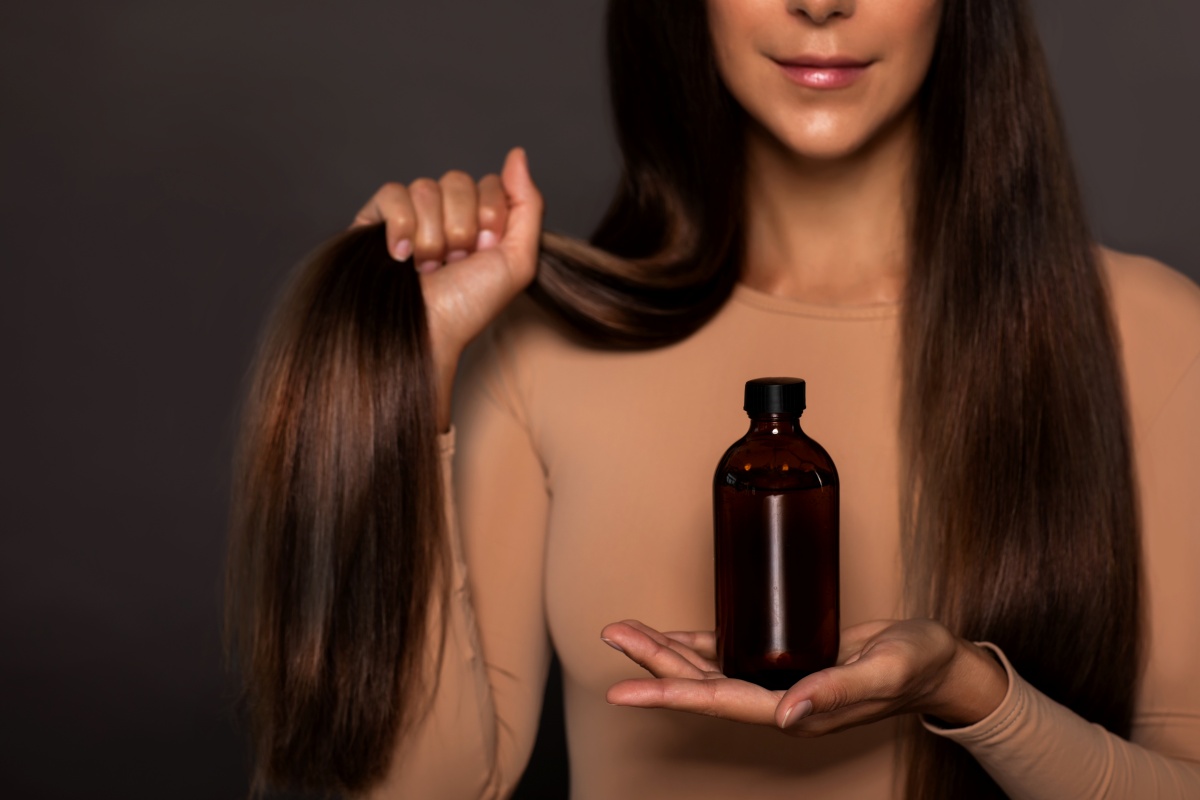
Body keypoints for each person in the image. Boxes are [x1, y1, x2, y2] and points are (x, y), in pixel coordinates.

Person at [226, 0, 1200, 798]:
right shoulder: (541, 347)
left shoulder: (1146, 332)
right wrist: (416, 363)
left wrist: (968, 689)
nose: (821, 4)